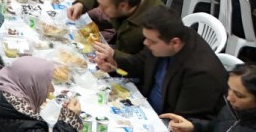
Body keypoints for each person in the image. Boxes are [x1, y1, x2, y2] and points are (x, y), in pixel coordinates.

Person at [94, 7, 227, 119]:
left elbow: (183, 121)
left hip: (165, 122)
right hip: (144, 103)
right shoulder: (166, 38)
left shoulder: (201, 73)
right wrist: (115, 64)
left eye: (151, 41)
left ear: (175, 43)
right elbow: (141, 62)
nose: (146, 43)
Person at [161, 63, 256, 132]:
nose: (229, 97)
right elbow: (219, 128)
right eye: (229, 88)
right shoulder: (233, 108)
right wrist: (193, 127)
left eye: (239, 95)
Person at [67, 0, 166, 55]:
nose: (100, 10)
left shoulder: (151, 26)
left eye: (105, 7)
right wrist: (81, 4)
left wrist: (114, 55)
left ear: (123, 5)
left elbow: (143, 62)